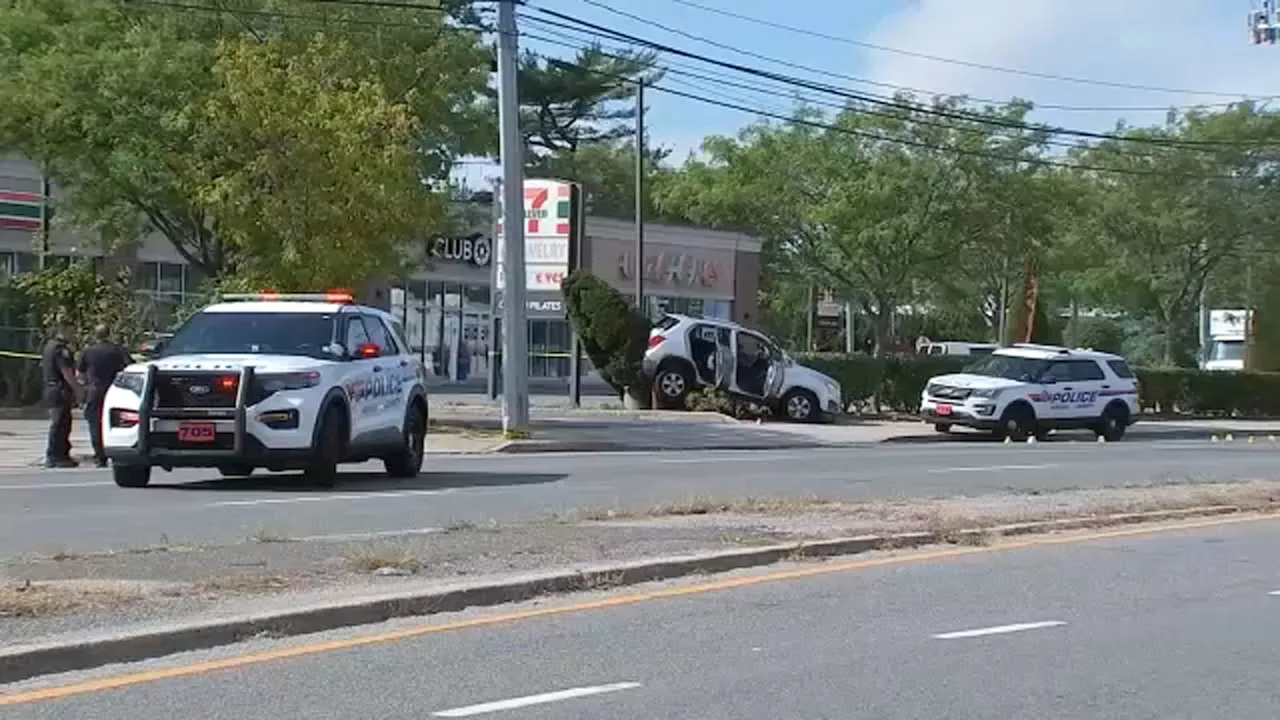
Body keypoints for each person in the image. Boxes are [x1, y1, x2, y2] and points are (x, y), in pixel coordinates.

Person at [78, 324, 132, 468]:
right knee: (115, 423)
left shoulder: (88, 351)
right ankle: (116, 452)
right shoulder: (117, 350)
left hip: (94, 391)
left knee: (95, 425)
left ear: (95, 335)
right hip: (115, 391)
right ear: (109, 333)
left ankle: (99, 456)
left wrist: (83, 392)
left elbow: (80, 374)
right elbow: (129, 368)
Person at [40, 323, 81, 468]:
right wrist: (77, 389)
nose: (73, 334)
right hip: (59, 390)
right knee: (60, 424)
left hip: (51, 389)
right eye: (71, 331)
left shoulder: (48, 346)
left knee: (62, 423)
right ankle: (54, 455)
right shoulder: (60, 349)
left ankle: (61, 455)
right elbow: (67, 372)